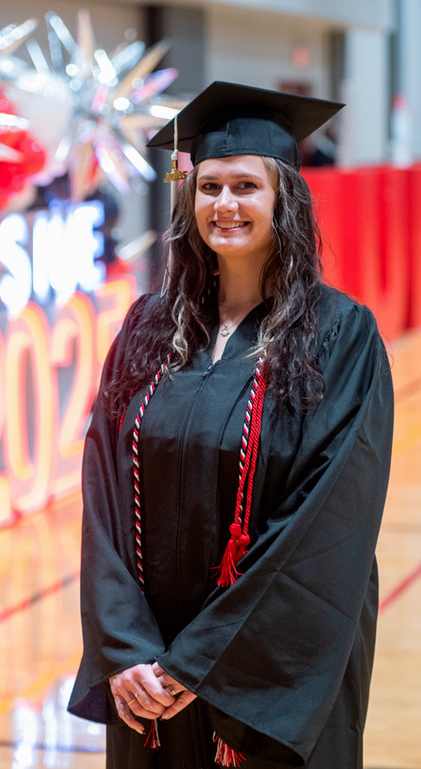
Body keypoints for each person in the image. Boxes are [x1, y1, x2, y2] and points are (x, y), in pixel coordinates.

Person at [67, 81, 394, 769]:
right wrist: (126, 650)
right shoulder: (149, 328)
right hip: (147, 681)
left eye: (246, 185)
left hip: (267, 678)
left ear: (285, 201)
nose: (225, 205)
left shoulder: (341, 336)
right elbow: (102, 489)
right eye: (209, 186)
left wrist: (201, 661)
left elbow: (324, 525)